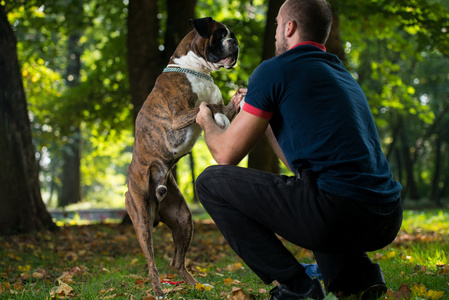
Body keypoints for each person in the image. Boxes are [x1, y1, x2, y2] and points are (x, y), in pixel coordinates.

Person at [195, 0, 403, 299]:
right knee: (316, 185)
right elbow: (302, 166)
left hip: (336, 213)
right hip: (385, 216)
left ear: (289, 27)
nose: (275, 33)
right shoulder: (341, 75)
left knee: (210, 183)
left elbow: (225, 154)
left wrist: (207, 123)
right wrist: (262, 119)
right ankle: (357, 277)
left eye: (278, 24)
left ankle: (296, 286)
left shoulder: (274, 70)